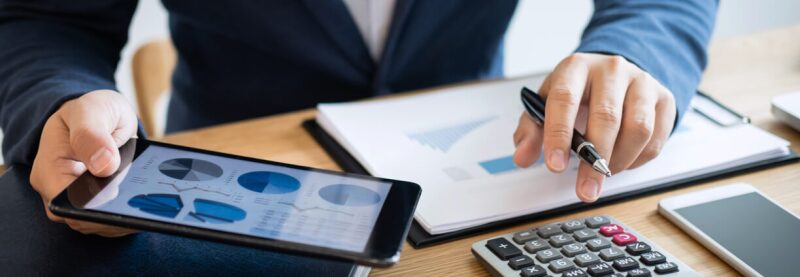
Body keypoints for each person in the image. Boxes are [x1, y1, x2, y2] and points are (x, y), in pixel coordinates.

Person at [0, 1, 717, 236]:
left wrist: (637, 48)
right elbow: (45, 18)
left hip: (481, 189)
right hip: (232, 210)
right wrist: (61, 102)